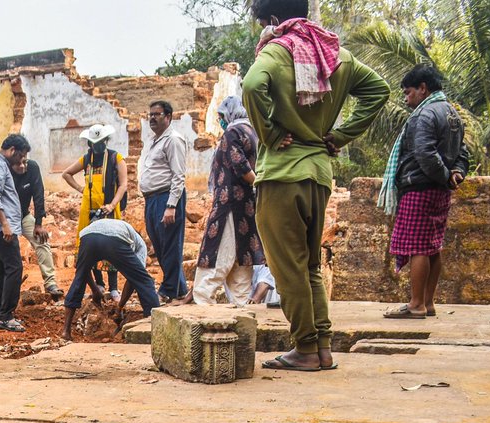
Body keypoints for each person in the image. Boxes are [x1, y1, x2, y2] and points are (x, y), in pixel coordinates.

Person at [243, 0, 389, 371]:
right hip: (319, 174)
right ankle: (322, 348)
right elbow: (379, 89)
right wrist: (340, 135)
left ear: (273, 19)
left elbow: (252, 85)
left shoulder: (276, 51)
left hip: (282, 175)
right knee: (309, 266)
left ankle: (305, 348)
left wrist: (271, 134)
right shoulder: (336, 55)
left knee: (287, 268)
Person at [380, 63, 469, 319]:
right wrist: (455, 174)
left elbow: (425, 153)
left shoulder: (425, 114)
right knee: (432, 246)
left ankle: (416, 304)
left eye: (408, 93)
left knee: (418, 247)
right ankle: (428, 303)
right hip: (439, 189)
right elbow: (462, 152)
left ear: (422, 88)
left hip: (420, 185)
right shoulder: (452, 113)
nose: (406, 99)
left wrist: (443, 175)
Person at [180, 97, 267, 306]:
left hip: (228, 205)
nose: (220, 120)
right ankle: (242, 316)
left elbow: (240, 165)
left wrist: (256, 183)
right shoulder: (254, 133)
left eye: (221, 116)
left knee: (215, 261)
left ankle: (204, 318)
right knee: (240, 274)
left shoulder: (232, 133)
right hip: (247, 207)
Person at [61, 216, 161, 341]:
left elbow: (84, 271)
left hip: (88, 236)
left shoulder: (117, 226)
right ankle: (156, 328)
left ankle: (66, 331)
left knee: (79, 277)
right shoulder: (140, 244)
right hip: (114, 239)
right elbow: (135, 280)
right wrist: (120, 306)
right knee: (145, 281)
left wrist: (96, 290)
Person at [63, 123, 130, 299]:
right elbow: (66, 174)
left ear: (106, 141)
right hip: (89, 211)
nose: (98, 146)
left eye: (101, 142)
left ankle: (113, 287)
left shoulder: (116, 158)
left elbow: (123, 185)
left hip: (109, 210)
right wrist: (81, 189)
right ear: (90, 143)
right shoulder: (86, 160)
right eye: (95, 143)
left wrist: (112, 204)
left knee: (112, 245)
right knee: (91, 246)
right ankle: (99, 284)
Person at [138, 101, 189, 302]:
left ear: (168, 117)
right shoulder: (152, 141)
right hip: (151, 199)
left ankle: (167, 290)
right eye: (150, 114)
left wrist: (171, 205)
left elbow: (178, 175)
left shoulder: (173, 140)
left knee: (170, 244)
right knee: (159, 244)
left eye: (157, 114)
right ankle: (180, 289)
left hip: (166, 197)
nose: (152, 118)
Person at [0, 134, 32, 332]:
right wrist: (5, 224)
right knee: (14, 268)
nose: (21, 160)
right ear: (12, 150)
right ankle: (6, 315)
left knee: (2, 268)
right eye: (20, 155)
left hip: (0, 227)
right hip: (3, 228)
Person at [12, 156, 63, 301]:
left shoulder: (32, 167)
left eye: (25, 162)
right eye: (19, 163)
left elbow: (38, 194)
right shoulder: (3, 169)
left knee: (42, 241)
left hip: (24, 215)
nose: (23, 166)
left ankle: (50, 283)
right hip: (6, 218)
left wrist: (38, 224)